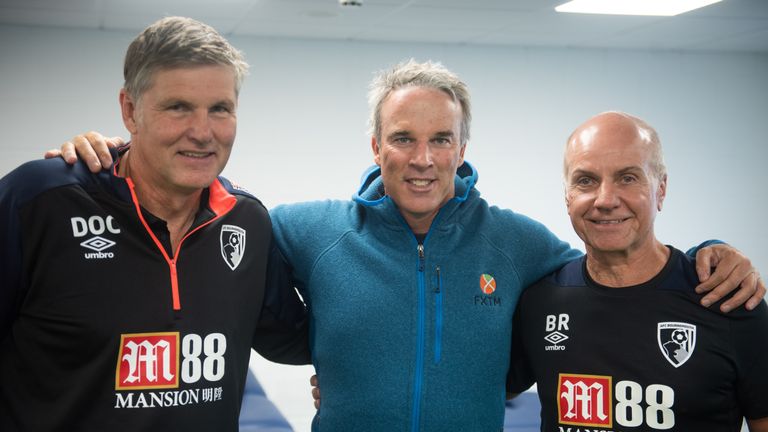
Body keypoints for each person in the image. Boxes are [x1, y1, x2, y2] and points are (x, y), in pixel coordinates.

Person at [50, 60, 764, 431]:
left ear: (462, 147)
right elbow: (202, 202)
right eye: (403, 138)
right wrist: (116, 156)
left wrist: (713, 251)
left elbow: (615, 262)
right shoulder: (308, 228)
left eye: (439, 139)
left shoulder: (519, 243)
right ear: (375, 145)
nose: (422, 159)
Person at [0, 17, 310, 431]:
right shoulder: (39, 201)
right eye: (178, 107)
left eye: (220, 109)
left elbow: (297, 337)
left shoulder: (246, 220)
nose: (202, 132)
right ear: (130, 110)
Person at [506, 111, 768, 431]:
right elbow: (479, 393)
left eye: (628, 177)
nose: (605, 199)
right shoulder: (540, 302)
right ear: (567, 195)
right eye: (586, 180)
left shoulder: (727, 297)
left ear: (661, 189)